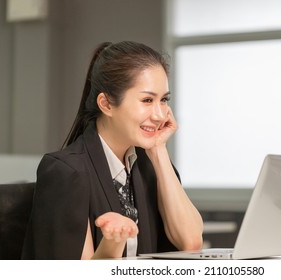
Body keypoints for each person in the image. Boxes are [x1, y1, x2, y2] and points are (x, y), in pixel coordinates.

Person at [21, 41, 203, 259]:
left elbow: (191, 242)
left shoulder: (149, 164)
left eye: (164, 100)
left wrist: (158, 149)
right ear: (106, 104)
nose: (160, 115)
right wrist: (112, 243)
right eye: (147, 100)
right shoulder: (66, 171)